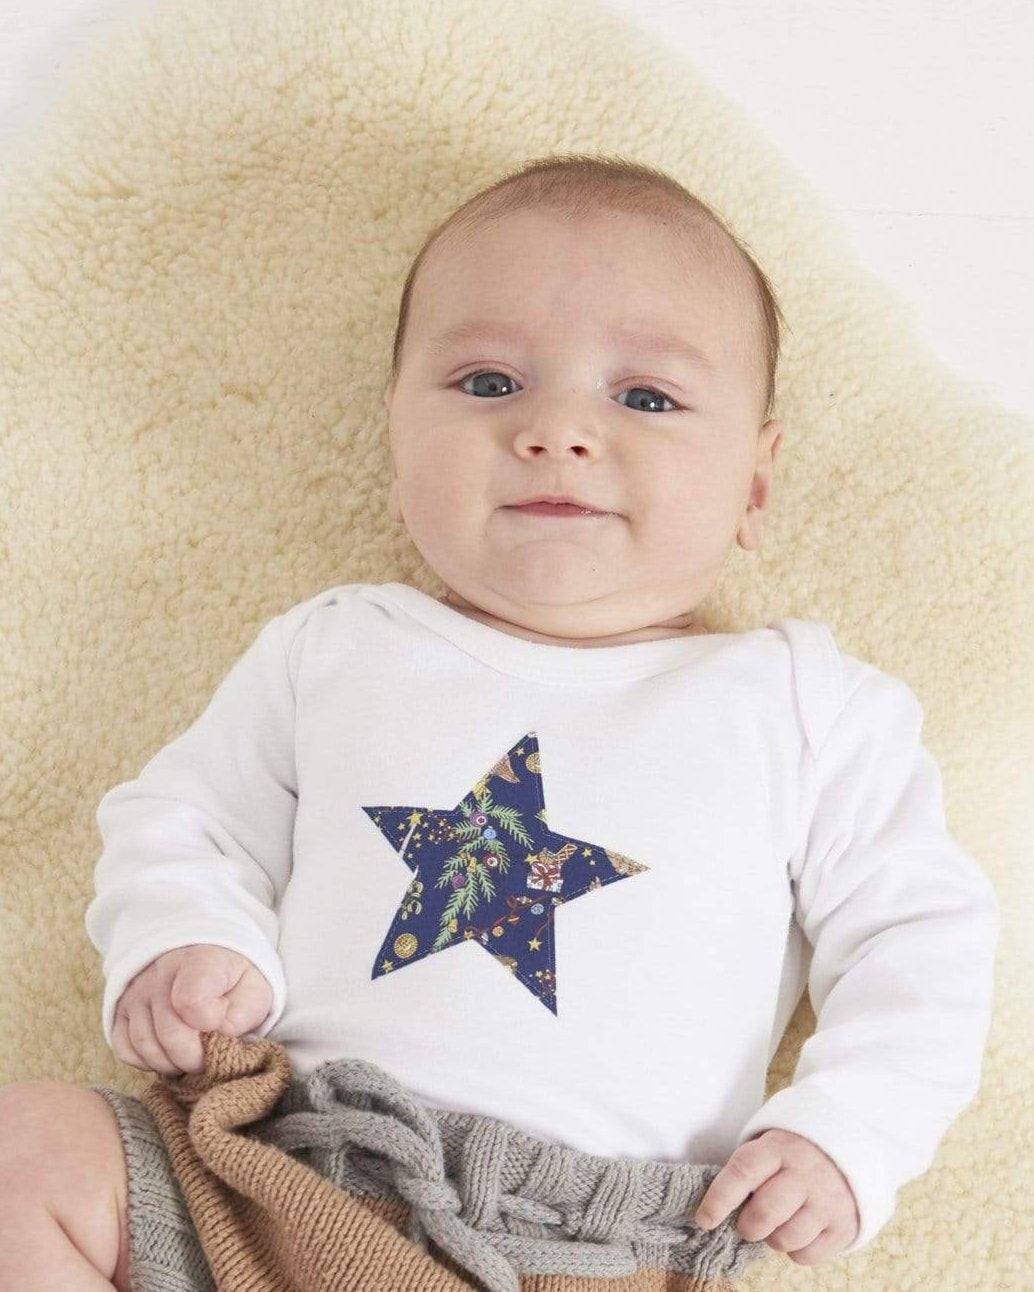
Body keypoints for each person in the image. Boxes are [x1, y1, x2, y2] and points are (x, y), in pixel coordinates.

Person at [0, 155, 1000, 1291]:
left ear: (755, 486)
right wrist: (186, 936)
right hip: (274, 1164)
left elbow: (919, 938)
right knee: (28, 1149)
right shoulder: (337, 647)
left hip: (584, 1243)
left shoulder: (805, 707)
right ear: (394, 449)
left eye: (645, 398)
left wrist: (848, 1131)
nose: (556, 430)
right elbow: (188, 817)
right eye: (488, 383)